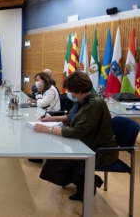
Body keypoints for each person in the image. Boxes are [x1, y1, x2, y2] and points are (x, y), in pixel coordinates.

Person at [33, 71, 119, 201]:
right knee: (55, 157)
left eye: (71, 90)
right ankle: (82, 179)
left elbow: (77, 132)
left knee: (60, 160)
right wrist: (51, 119)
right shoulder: (82, 100)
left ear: (78, 90)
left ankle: (89, 181)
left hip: (100, 150)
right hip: (87, 143)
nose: (70, 93)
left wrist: (49, 129)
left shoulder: (94, 104)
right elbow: (70, 117)